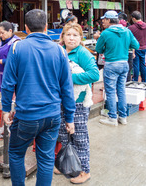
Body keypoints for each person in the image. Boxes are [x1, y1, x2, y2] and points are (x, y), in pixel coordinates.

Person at [1, 9, 76, 186]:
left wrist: (6, 109)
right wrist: (70, 118)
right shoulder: (59, 51)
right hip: (52, 116)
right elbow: (67, 87)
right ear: (47, 27)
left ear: (26, 28)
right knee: (46, 159)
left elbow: (7, 83)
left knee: (16, 153)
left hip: (27, 115)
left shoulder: (17, 47)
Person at [56, 23, 99, 184]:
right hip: (62, 101)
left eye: (75, 35)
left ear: (80, 38)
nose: (71, 38)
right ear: (63, 37)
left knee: (80, 138)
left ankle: (84, 170)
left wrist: (69, 79)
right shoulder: (60, 51)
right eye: (68, 35)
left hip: (78, 103)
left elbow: (94, 75)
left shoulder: (82, 53)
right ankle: (67, 165)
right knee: (65, 136)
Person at [96, 10, 139, 127]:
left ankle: (112, 117)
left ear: (109, 20)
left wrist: (107, 48)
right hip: (124, 63)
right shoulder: (127, 31)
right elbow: (136, 45)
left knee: (110, 91)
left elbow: (98, 49)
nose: (103, 21)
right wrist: (125, 46)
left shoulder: (105, 33)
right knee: (121, 90)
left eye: (104, 19)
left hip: (111, 64)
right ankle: (123, 117)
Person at [128, 11, 146, 83]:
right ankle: (144, 80)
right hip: (143, 47)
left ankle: (135, 80)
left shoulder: (131, 28)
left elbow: (129, 39)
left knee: (135, 65)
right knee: (143, 64)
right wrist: (144, 40)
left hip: (135, 49)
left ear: (134, 18)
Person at [119, 13, 133, 82]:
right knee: (128, 69)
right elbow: (135, 45)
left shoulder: (114, 31)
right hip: (128, 52)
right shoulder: (129, 31)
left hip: (120, 54)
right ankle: (127, 83)